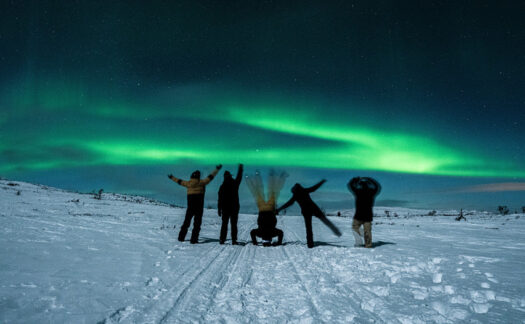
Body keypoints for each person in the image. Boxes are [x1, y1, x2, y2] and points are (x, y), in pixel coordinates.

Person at [277, 180, 342, 248]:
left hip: (306, 211)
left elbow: (288, 203)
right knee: (324, 219)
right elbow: (314, 188)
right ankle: (335, 230)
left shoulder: (295, 195)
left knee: (308, 228)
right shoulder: (304, 190)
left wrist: (279, 209)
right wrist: (321, 182)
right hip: (314, 208)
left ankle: (310, 244)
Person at [168, 164, 222, 244]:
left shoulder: (188, 183)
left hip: (190, 207)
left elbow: (179, 181)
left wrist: (172, 177)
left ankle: (181, 237)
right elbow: (211, 176)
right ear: (198, 176)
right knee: (197, 225)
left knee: (186, 223)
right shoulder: (203, 182)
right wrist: (217, 169)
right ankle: (194, 239)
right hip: (199, 208)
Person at [246, 170, 287, 246]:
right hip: (262, 209)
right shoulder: (260, 233)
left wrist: (279, 242)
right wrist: (255, 242)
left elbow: (281, 233)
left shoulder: (273, 233)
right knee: (257, 192)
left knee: (273, 192)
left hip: (270, 210)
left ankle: (276, 176)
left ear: (270, 240)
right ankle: (252, 177)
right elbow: (252, 232)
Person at [347, 176, 381, 248]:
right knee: (367, 231)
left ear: (360, 185)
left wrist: (355, 179)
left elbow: (350, 185)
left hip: (358, 215)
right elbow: (378, 187)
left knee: (355, 228)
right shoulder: (371, 192)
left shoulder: (358, 192)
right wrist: (370, 179)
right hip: (368, 216)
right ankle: (368, 245)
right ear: (368, 185)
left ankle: (361, 242)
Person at [218, 164, 244, 245]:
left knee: (224, 224)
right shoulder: (234, 184)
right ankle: (233, 240)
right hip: (234, 208)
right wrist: (240, 169)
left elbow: (219, 199)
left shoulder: (222, 186)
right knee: (233, 224)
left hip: (225, 208)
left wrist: (219, 209)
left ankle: (222, 239)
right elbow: (239, 177)